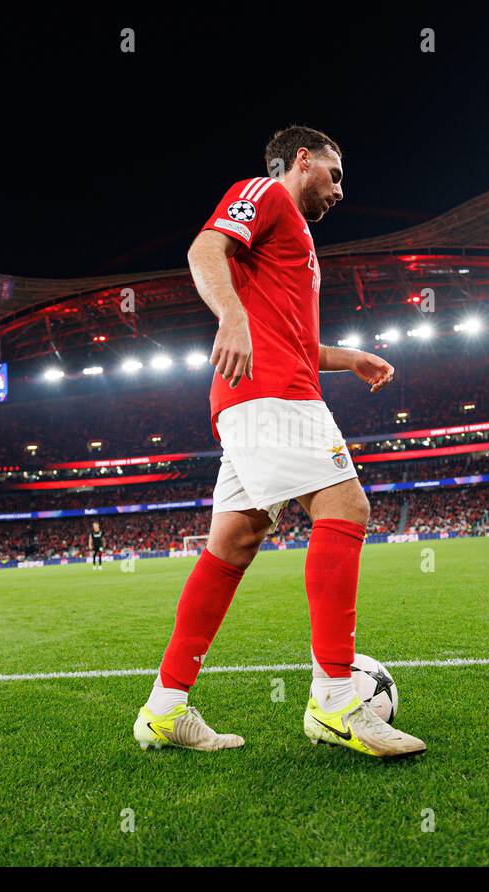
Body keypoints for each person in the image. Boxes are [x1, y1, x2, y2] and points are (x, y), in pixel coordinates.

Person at [133, 125, 424, 759]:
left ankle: (165, 708)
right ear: (301, 160)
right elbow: (205, 249)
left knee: (233, 543)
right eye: (335, 172)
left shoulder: (300, 241)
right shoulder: (265, 193)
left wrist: (347, 358)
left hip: (263, 392)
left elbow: (292, 339)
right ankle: (337, 699)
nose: (340, 188)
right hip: (272, 394)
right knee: (346, 508)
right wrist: (231, 316)